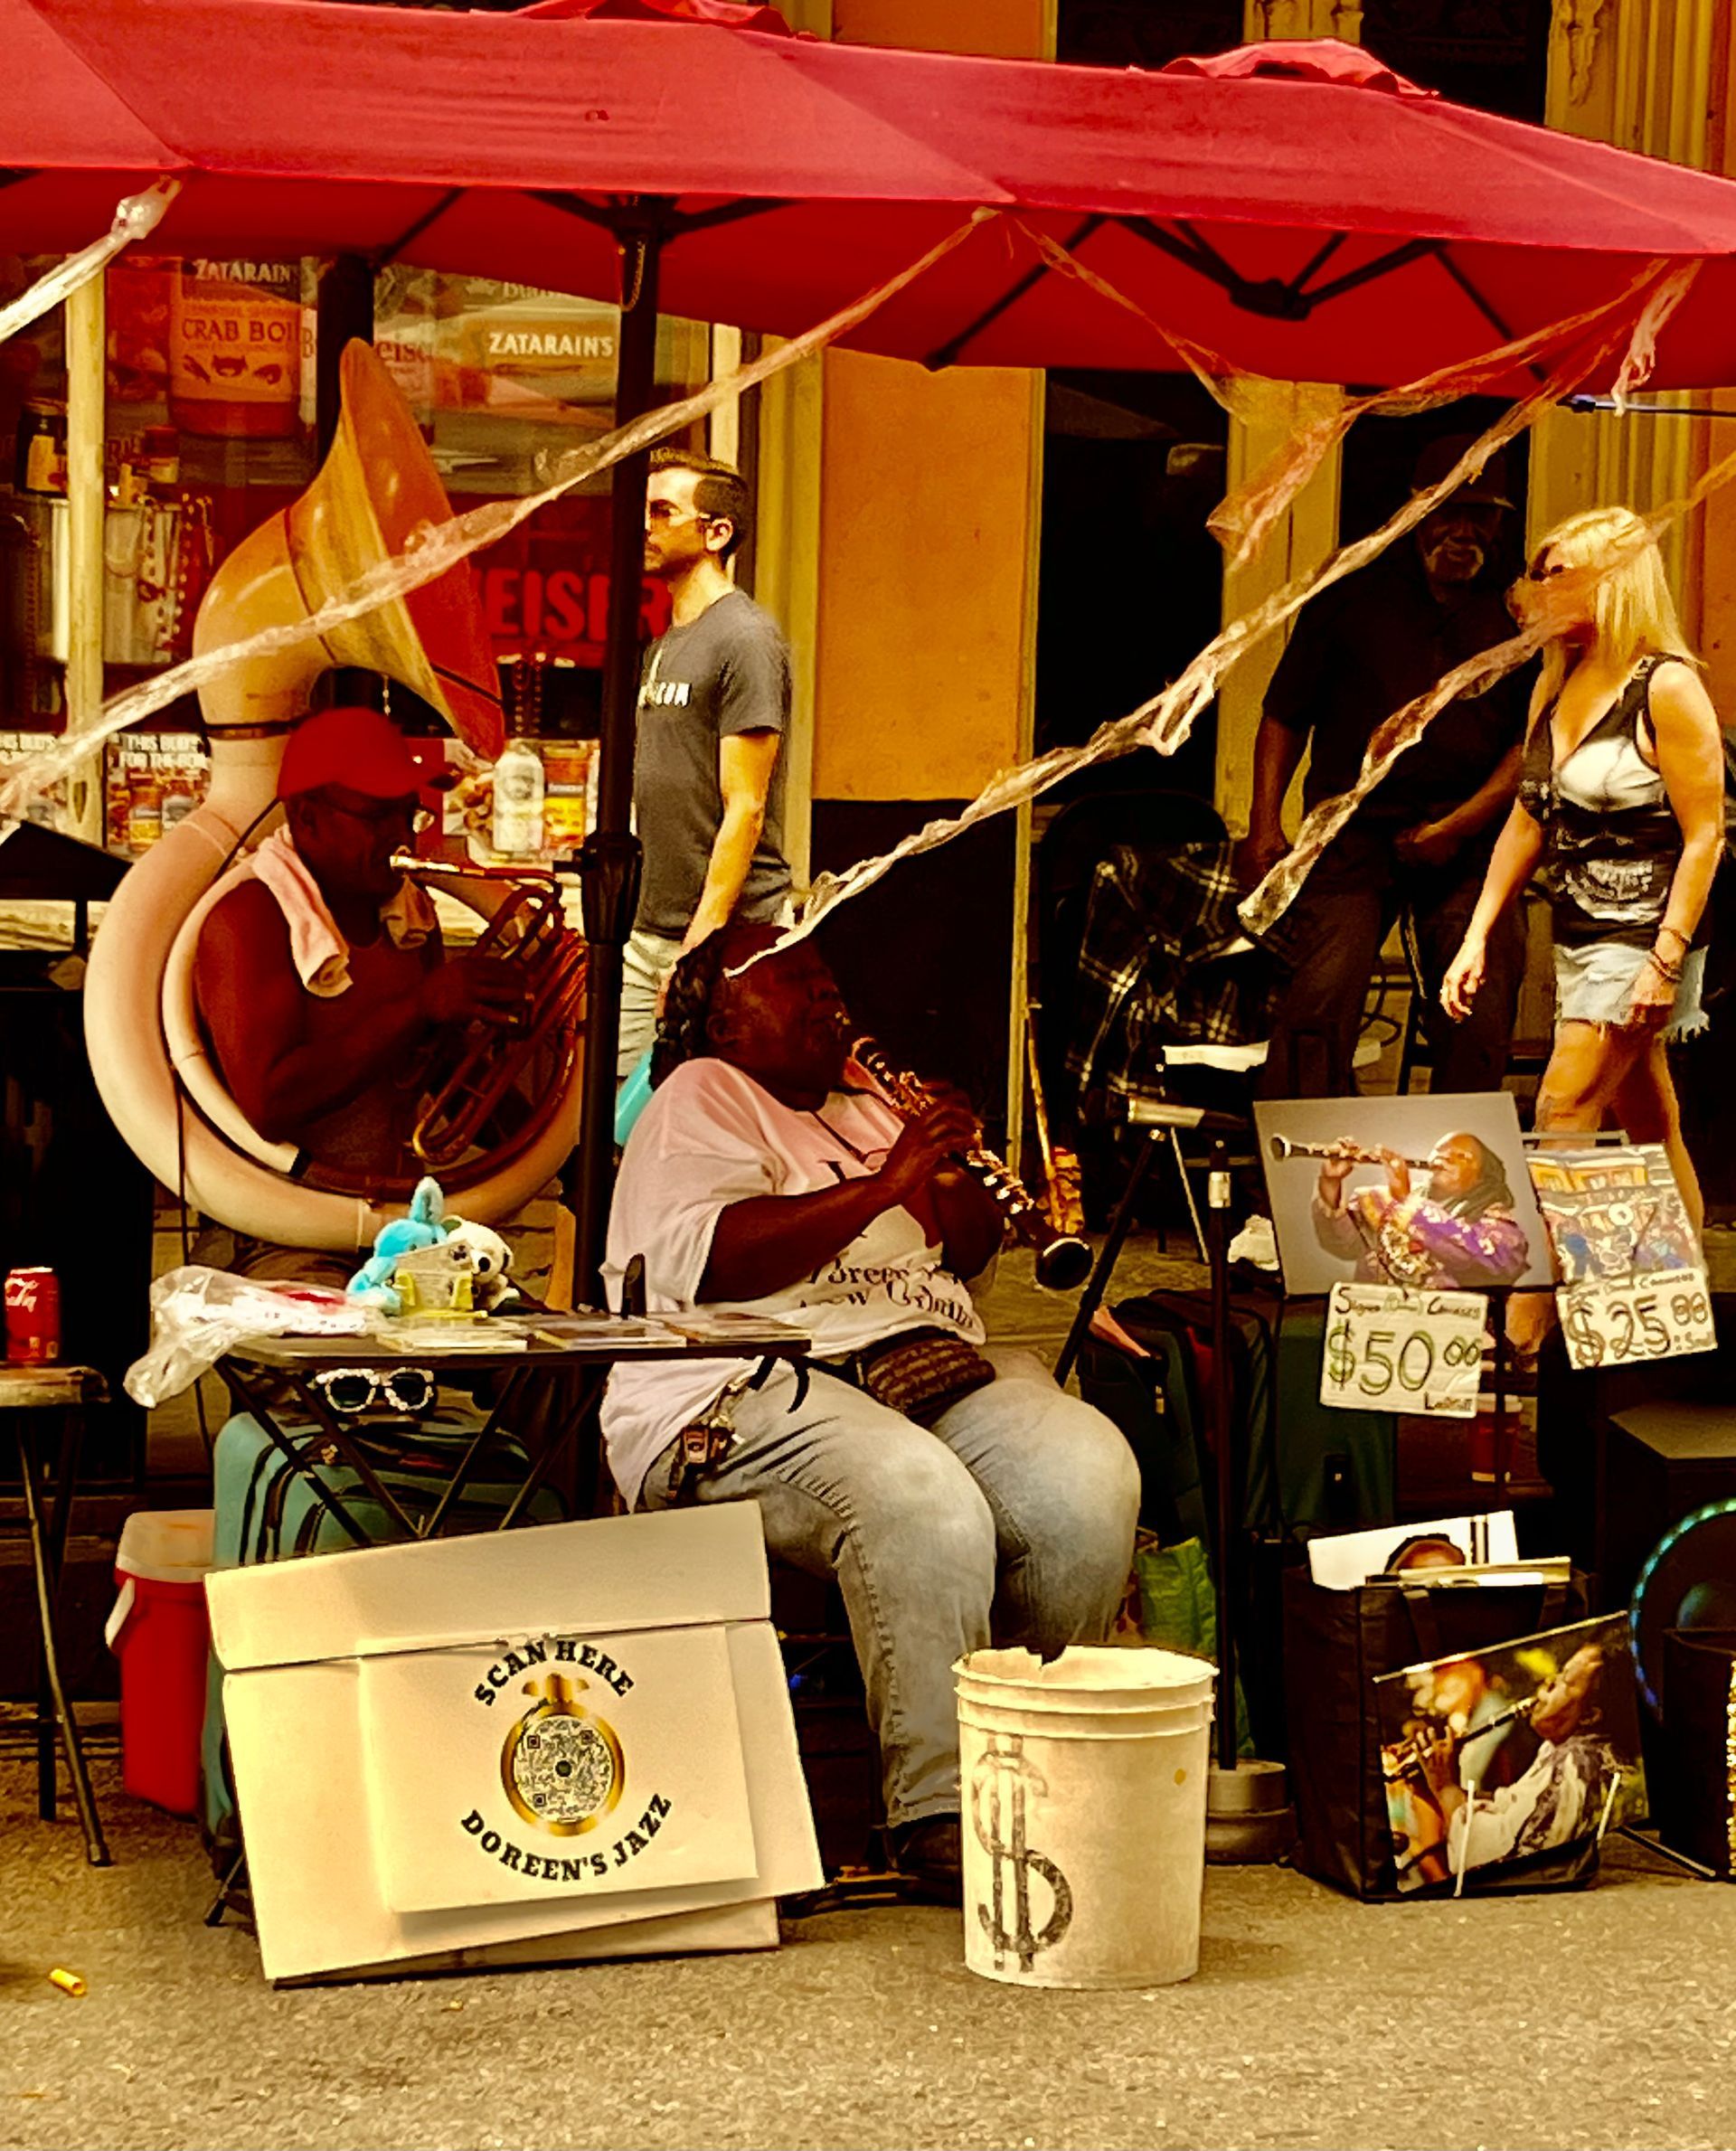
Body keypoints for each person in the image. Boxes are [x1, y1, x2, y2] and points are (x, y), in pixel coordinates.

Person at [600, 922, 1140, 1895]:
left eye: (827, 976)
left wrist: (948, 1163)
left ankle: (1028, 1772)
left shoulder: (865, 1106)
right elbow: (719, 1258)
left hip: (919, 1364)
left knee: (1085, 1478)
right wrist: (886, 1182)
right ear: (723, 1017)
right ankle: (940, 1813)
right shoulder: (699, 1098)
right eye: (794, 979)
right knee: (916, 1496)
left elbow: (967, 1251)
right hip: (740, 1379)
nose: (826, 994)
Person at [1442, 509, 1723, 1254]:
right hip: (1580, 929)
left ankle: (1525, 1329)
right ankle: (1684, 1294)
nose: (1533, 590)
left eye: (1553, 573)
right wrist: (1476, 935)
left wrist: (1664, 963)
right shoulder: (1556, 684)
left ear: (1610, 581)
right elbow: (1527, 822)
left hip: (1649, 929)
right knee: (1650, 1120)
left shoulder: (1666, 687)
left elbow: (1707, 834)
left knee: (1562, 1107)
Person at [1240, 439, 1530, 1097]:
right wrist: (1265, 824)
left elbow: (1531, 739)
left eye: (1480, 514)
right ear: (1417, 510)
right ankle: (1297, 1168)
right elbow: (1284, 712)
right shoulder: (1352, 590)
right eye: (1447, 510)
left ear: (1501, 520)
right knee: (1323, 993)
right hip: (1352, 830)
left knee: (1480, 1002)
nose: (1462, 529)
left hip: (1468, 834)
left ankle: (1459, 1170)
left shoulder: (1519, 605)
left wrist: (1458, 825)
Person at [194, 705, 525, 1281]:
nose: (400, 836)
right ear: (308, 818)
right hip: (278, 1235)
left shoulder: (409, 920)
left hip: (396, 1231)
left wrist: (484, 1042)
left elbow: (421, 1079)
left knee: (535, 1357)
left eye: (408, 815)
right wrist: (421, 1007)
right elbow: (271, 1104)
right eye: (377, 817)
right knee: (367, 1356)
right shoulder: (250, 918)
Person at [619, 448, 792, 1081]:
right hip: (651, 929)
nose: (645, 526)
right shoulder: (667, 642)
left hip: (725, 937)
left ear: (717, 532)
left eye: (663, 511)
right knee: (625, 1129)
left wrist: (699, 949)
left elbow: (744, 808)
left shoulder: (743, 637)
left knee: (707, 1126)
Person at [1312, 1130, 1531, 1288]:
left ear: (1482, 1176)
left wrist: (1407, 1203)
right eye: (1439, 1152)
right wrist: (1330, 1183)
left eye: (1461, 1157)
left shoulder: (1499, 1224)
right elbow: (1344, 1246)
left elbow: (1494, 1263)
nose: (1443, 1159)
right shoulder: (1382, 1199)